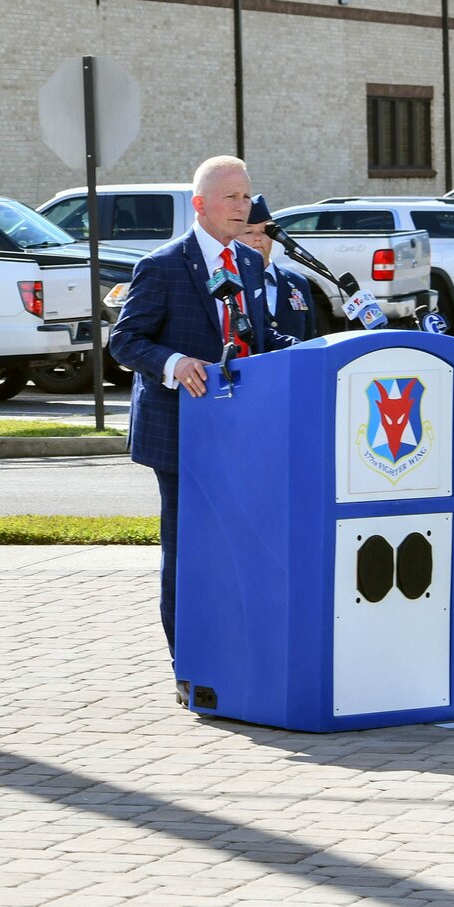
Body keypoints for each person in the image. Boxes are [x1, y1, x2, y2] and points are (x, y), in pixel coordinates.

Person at [108, 156, 276, 677]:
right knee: (189, 551)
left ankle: (237, 650)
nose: (242, 206)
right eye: (231, 198)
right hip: (181, 434)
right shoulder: (162, 265)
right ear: (200, 205)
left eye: (246, 197)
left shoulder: (249, 263)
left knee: (239, 545)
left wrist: (325, 350)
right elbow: (124, 341)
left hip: (241, 431)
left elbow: (263, 340)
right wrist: (176, 365)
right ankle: (191, 663)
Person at [240, 194, 317, 345]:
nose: (258, 238)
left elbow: (309, 338)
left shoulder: (297, 282)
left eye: (265, 232)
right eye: (248, 232)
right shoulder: (231, 284)